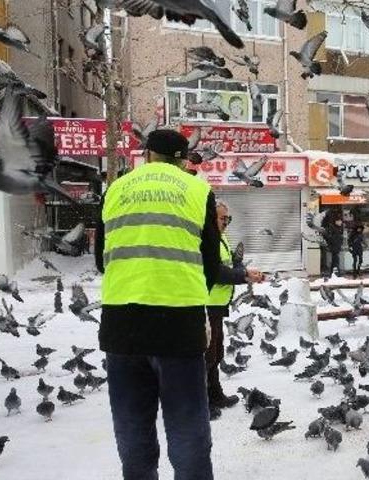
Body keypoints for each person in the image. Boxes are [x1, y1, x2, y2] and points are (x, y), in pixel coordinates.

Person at [95, 129, 220, 480]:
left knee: (132, 428)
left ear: (146, 154)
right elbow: (210, 263)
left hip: (122, 326)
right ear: (182, 159)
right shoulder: (197, 190)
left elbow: (102, 260)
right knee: (187, 429)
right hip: (179, 326)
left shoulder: (115, 190)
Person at [205, 201, 264, 420]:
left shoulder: (222, 238)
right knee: (207, 355)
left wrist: (244, 269)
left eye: (228, 219)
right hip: (206, 303)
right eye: (222, 219)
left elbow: (230, 265)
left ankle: (215, 394)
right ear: (211, 218)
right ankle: (201, 401)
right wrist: (243, 275)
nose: (226, 223)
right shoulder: (205, 240)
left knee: (217, 352)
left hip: (218, 304)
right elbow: (216, 272)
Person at [323, 208, 344, 277]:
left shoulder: (339, 228)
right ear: (336, 221)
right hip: (334, 247)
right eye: (339, 221)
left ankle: (332, 273)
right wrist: (333, 241)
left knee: (334, 260)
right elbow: (327, 236)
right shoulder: (332, 228)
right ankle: (337, 273)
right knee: (336, 260)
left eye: (341, 221)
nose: (340, 222)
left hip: (336, 247)